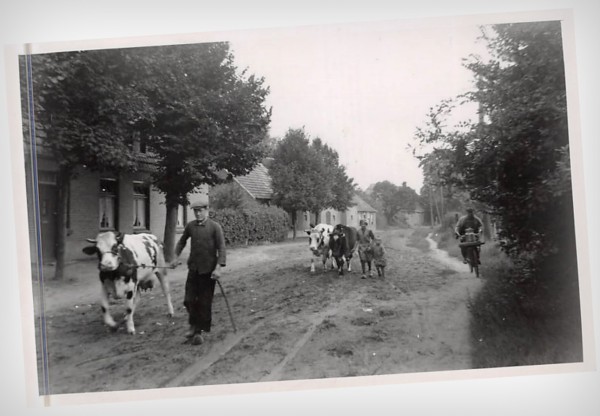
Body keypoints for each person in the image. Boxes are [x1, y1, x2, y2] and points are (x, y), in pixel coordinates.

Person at [172, 194, 226, 345]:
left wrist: (218, 268)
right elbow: (181, 242)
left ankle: (198, 332)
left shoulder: (215, 227)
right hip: (193, 269)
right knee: (188, 300)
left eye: (200, 210)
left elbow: (221, 248)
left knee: (204, 303)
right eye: (195, 211)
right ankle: (194, 324)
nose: (197, 213)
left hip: (209, 272)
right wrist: (175, 257)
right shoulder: (190, 226)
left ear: (206, 210)